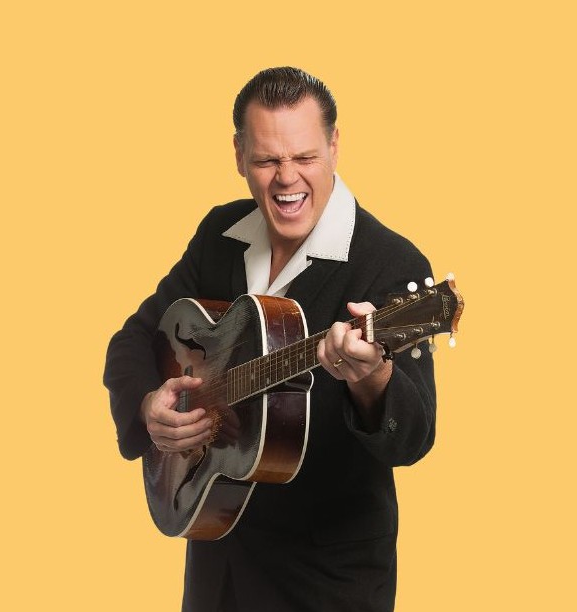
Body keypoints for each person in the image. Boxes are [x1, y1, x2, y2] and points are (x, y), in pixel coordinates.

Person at [104, 66, 436, 612]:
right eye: (266, 160)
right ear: (239, 155)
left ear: (334, 145)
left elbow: (414, 436)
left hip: (326, 584)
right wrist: (148, 406)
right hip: (215, 562)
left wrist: (372, 378)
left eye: (305, 157)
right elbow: (133, 341)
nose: (287, 179)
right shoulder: (219, 235)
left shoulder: (391, 264)